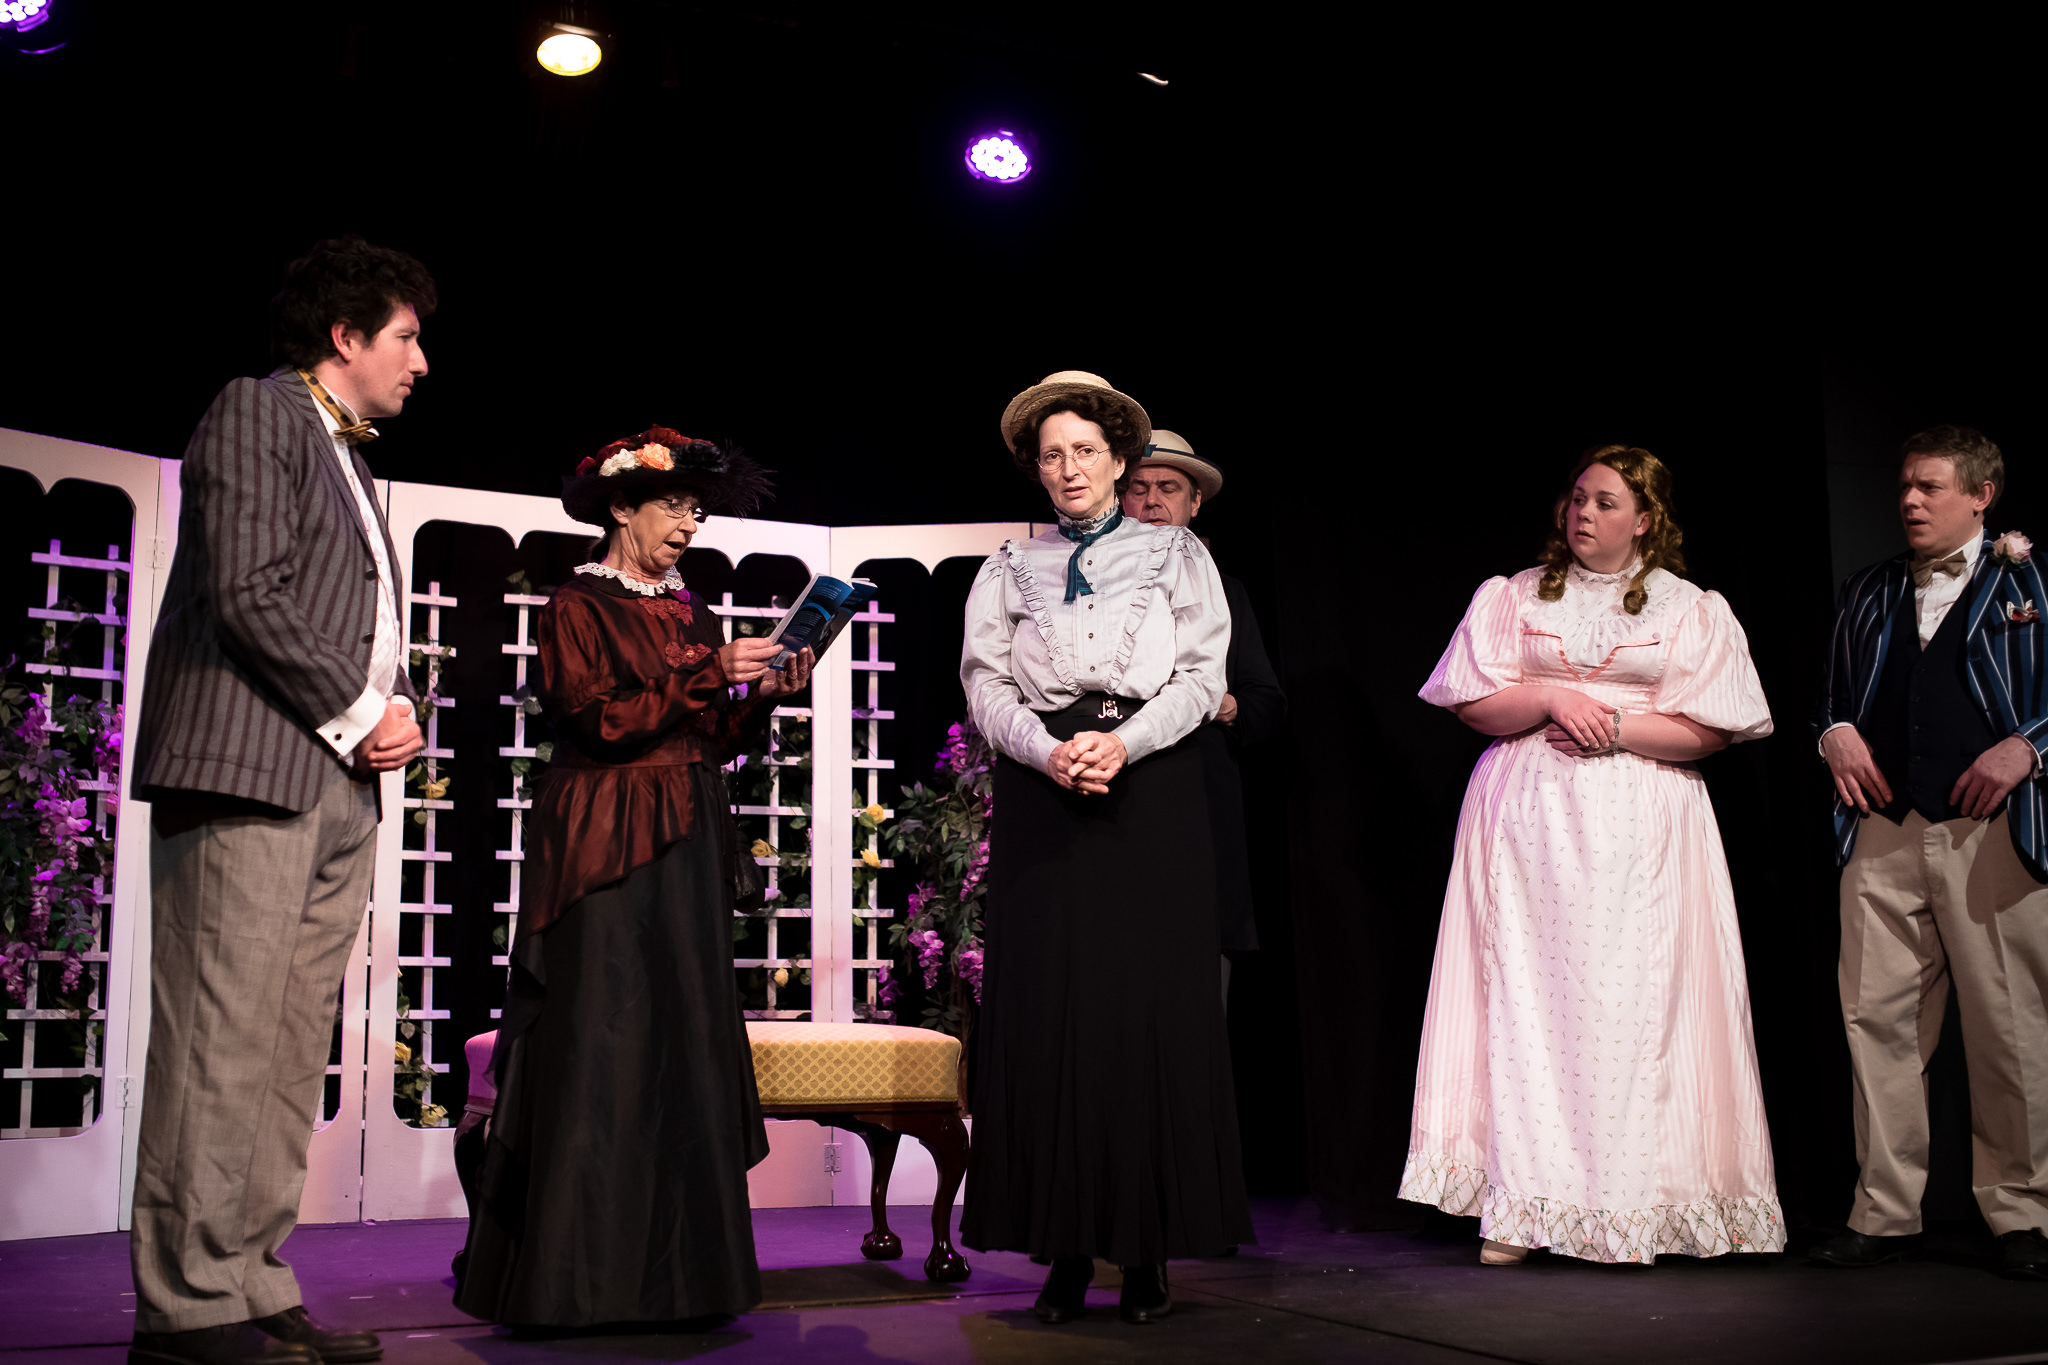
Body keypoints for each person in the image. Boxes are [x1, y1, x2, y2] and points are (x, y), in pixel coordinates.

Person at [127, 237, 434, 1365]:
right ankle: (186, 1307)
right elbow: (247, 592)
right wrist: (360, 709)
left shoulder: (346, 454)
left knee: (288, 1051)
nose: (420, 362)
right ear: (345, 336)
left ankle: (249, 1277)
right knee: (221, 1043)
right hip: (248, 773)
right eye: (405, 337)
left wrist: (398, 703)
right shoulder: (258, 412)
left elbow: (351, 614)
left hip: (334, 785)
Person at [453, 427, 813, 1328]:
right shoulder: (575, 604)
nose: (690, 524)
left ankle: (686, 1281)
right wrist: (709, 671)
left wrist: (762, 696)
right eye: (675, 506)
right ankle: (576, 1283)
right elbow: (597, 721)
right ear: (621, 506)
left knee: (679, 1040)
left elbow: (706, 737)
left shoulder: (691, 610)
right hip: (605, 835)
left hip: (686, 831)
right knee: (602, 1039)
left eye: (698, 511)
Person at [1400, 444, 1785, 1266]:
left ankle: (1638, 1201)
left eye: (1606, 502)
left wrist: (1614, 725)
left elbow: (1713, 728)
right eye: (1578, 498)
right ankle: (1519, 1204)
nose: (1584, 513)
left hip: (1642, 825)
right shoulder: (1515, 595)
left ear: (1645, 520)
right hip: (1527, 825)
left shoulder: (1687, 607)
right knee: (1524, 1003)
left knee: (1635, 1006)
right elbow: (1471, 702)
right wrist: (1548, 695)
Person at [960, 371, 1252, 1326]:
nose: (1069, 468)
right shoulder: (1007, 566)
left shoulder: (1178, 553)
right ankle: (1062, 1250)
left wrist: (1122, 743)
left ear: (1120, 459)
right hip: (1046, 793)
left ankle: (1145, 1250)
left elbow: (1203, 674)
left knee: (1144, 1016)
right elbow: (986, 685)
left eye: (1085, 450)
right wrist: (1047, 751)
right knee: (1052, 1015)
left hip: (1149, 785)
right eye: (1052, 454)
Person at [1810, 424, 2048, 1280]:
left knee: (2009, 1025)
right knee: (1877, 1021)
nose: (1910, 500)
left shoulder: (2033, 581)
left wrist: (2029, 745)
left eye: (1931, 487)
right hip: (1884, 826)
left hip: (1992, 829)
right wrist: (1833, 732)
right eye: (1906, 485)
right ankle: (1884, 1211)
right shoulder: (1869, 587)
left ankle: (2023, 1212)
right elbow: (1833, 695)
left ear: (1982, 496)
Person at [1122, 430, 1286, 1008]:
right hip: (1119, 802)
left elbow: (1266, 703)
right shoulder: (1091, 592)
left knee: (1199, 998)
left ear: (1195, 503)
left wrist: (1215, 703)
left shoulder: (1226, 592)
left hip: (1200, 804)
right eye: (1138, 488)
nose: (1152, 501)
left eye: (1168, 488)